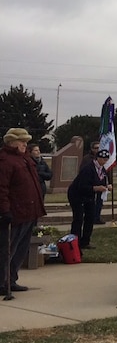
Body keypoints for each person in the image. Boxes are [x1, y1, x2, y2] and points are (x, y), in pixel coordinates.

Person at [2, 128, 47, 299]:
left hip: (29, 211)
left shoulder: (25, 159)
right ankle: (2, 281)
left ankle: (11, 279)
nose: (25, 145)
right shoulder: (6, 161)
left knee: (21, 249)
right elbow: (2, 188)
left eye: (26, 142)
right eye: (22, 142)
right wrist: (5, 210)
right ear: (12, 142)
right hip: (15, 213)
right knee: (8, 249)